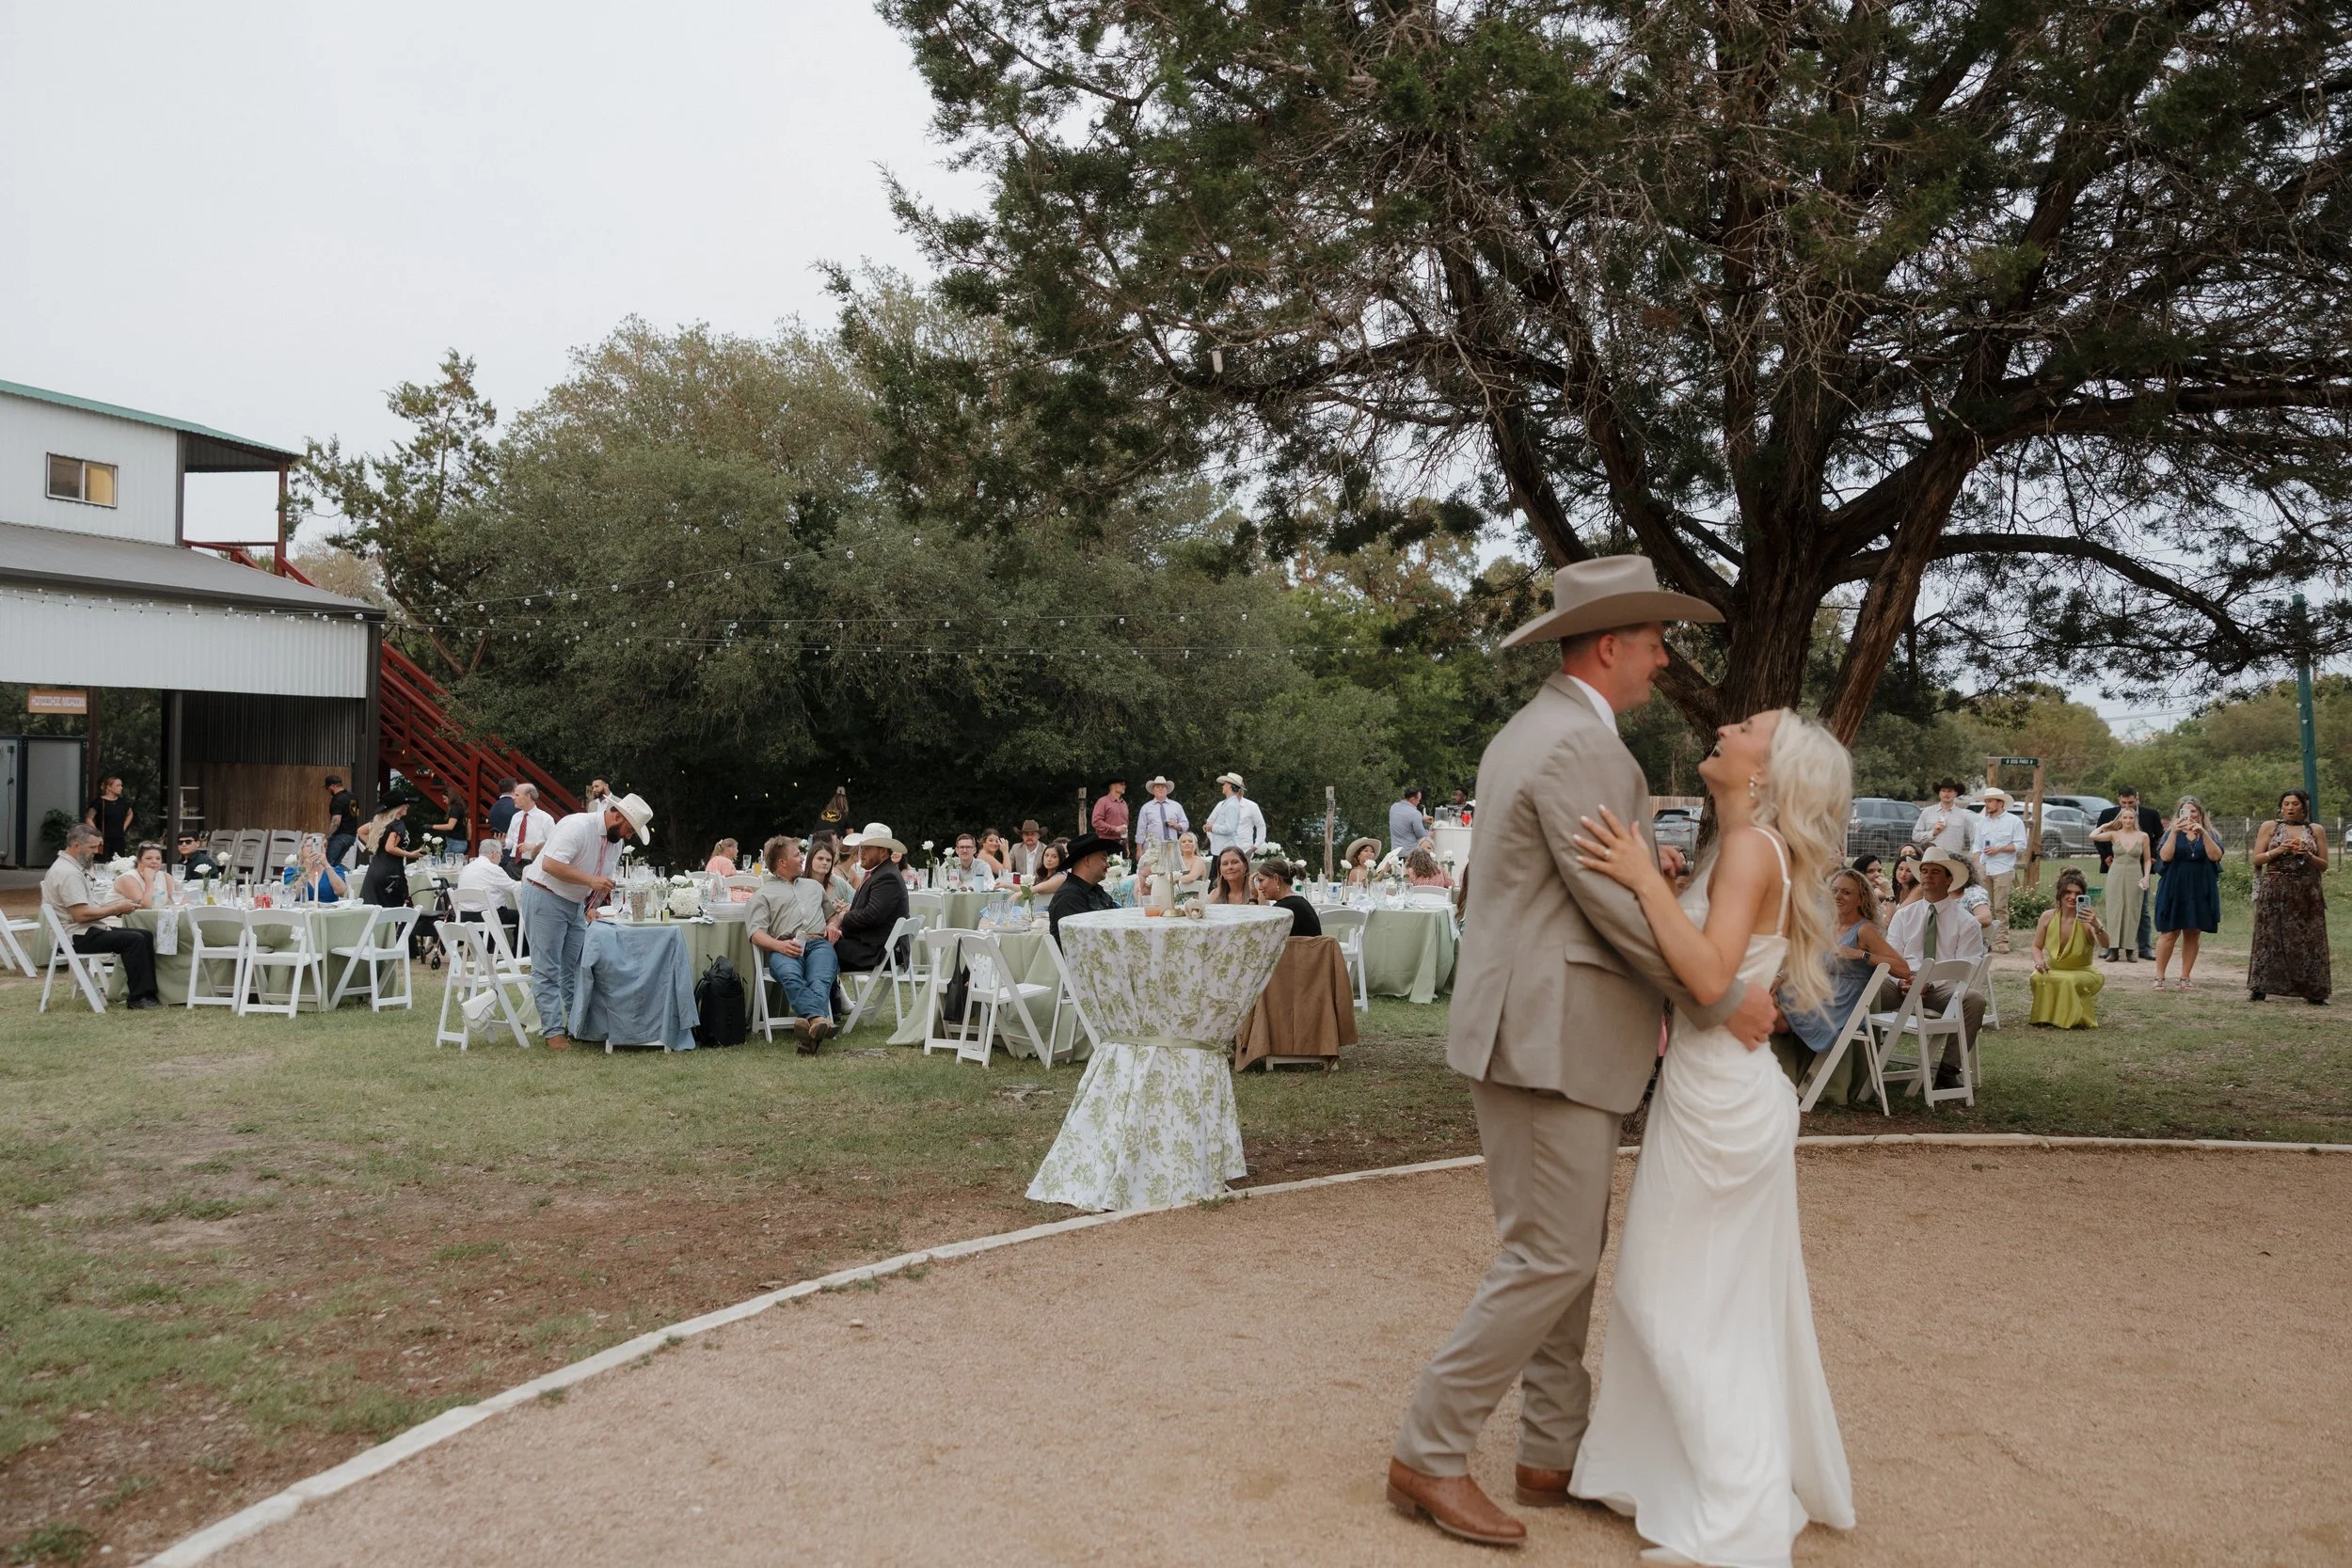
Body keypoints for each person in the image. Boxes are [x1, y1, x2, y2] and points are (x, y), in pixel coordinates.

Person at [1387, 556, 1781, 1550]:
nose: (1663, 661)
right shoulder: (1583, 747)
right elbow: (1611, 907)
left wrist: (1653, 880)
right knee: (1552, 1252)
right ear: (1609, 646)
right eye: (1653, 643)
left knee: (1560, 1247)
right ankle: (1429, 1450)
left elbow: (1546, 885)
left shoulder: (1536, 731)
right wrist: (1720, 994)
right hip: (1549, 1035)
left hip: (1536, 1028)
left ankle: (1551, 1448)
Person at [1558, 700, 1856, 1563]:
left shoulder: (1753, 849)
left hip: (1722, 1104)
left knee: (1665, 1300)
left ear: (1765, 771)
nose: (1726, 729)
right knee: (1707, 1305)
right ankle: (1663, 1473)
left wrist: (1645, 879)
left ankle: (1737, 1508)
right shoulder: (1744, 848)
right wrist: (1661, 880)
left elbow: (1709, 974)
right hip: (1712, 1090)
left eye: (1748, 729)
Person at [521, 793, 656, 1051]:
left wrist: (592, 906)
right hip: (545, 894)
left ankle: (578, 1026)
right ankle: (553, 1032)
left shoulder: (615, 843)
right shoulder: (577, 826)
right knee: (547, 968)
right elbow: (550, 864)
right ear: (618, 817)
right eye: (630, 830)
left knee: (577, 967)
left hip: (575, 904)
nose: (629, 836)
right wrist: (590, 881)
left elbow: (603, 880)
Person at [1773, 868, 1910, 1101]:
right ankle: (1779, 1077)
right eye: (1835, 891)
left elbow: (1903, 968)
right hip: (1821, 990)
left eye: (1846, 892)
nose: (1838, 896)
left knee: (1774, 1013)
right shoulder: (1827, 926)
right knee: (1767, 998)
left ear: (1860, 899)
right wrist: (1780, 977)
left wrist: (1861, 955)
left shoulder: (1865, 930)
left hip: (1843, 1000)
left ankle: (1783, 1077)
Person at [1881, 847, 1989, 1089]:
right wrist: (1901, 980)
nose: (1927, 876)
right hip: (1902, 983)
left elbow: (1967, 968)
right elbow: (1891, 957)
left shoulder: (1966, 922)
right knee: (1863, 989)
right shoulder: (1903, 915)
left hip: (1939, 988)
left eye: (1935, 872)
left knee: (1974, 1000)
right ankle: (1858, 1059)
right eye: (1924, 871)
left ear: (1949, 880)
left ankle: (1948, 1070)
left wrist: (1928, 983)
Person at [42, 822, 163, 1007]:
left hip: (83, 931)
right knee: (135, 939)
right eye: (92, 847)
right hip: (75, 935)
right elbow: (81, 915)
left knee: (144, 935)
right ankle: (138, 998)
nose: (96, 852)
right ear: (76, 846)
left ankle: (147, 994)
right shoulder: (68, 873)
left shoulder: (70, 868)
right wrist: (116, 909)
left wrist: (119, 906)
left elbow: (88, 908)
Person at [747, 836, 837, 1051]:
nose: (802, 858)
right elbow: (755, 934)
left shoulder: (814, 886)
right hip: (785, 947)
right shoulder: (762, 895)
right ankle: (817, 1021)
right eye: (797, 855)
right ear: (783, 863)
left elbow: (832, 915)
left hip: (818, 944)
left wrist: (833, 925)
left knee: (820, 979)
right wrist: (780, 946)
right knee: (790, 975)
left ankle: (810, 1026)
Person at [2248, 788, 2331, 1005]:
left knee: (2308, 939)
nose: (2290, 808)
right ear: (2281, 807)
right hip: (2275, 889)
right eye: (2286, 804)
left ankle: (2314, 990)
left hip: (2306, 890)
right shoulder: (2270, 827)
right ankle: (2261, 987)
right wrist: (2278, 851)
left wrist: (2307, 855)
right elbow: (2256, 859)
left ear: (2304, 807)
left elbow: (2324, 865)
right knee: (2269, 938)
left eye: (2295, 804)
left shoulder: (2315, 830)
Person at [2153, 796, 2223, 990]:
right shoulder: (2170, 833)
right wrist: (2175, 832)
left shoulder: (2211, 834)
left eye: (2194, 811)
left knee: (2193, 932)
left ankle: (2185, 977)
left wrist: (2203, 833)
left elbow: (2215, 856)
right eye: (2186, 811)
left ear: (2200, 814)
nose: (2190, 815)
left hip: (2200, 886)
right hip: (2174, 886)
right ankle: (2159, 977)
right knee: (2169, 932)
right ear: (2179, 814)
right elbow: (2165, 856)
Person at [2093, 786, 2165, 960]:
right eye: (2124, 803)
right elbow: (2098, 839)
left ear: (2137, 799)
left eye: (2131, 803)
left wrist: (2152, 857)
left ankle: (2143, 947)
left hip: (2138, 867)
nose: (2127, 806)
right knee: (2114, 908)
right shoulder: (2108, 815)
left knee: (2140, 909)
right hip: (2116, 865)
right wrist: (2106, 856)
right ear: (2119, 799)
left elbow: (2159, 837)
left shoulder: (2150, 815)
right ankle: (2111, 947)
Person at [2028, 869, 2106, 1028]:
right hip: (2055, 968)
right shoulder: (2047, 916)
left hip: (2083, 971)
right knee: (2037, 977)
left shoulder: (2088, 920)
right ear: (2060, 894)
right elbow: (2037, 946)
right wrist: (2039, 961)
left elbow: (2106, 944)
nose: (2072, 897)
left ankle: (2072, 1019)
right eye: (2068, 892)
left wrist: (2096, 925)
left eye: (2078, 894)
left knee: (2068, 980)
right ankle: (2045, 1017)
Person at [1973, 786, 2031, 953]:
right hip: (1984, 867)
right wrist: (1977, 866)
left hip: (2003, 868)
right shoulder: (1982, 822)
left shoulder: (2014, 821)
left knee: (2000, 907)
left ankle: (2002, 940)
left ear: (2000, 803)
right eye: (1986, 801)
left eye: (1990, 801)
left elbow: (2021, 845)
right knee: (1985, 906)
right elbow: (1976, 845)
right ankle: (1986, 941)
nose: (1987, 804)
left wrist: (2000, 849)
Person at [2090, 808, 2152, 962]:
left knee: (2132, 910)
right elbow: (2093, 835)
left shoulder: (2143, 836)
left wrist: (2146, 877)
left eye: (2131, 818)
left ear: (2135, 819)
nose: (2128, 821)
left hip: (2134, 874)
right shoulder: (2114, 834)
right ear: (2120, 819)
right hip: (2116, 873)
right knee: (2114, 910)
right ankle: (2113, 949)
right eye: (2125, 817)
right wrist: (2106, 825)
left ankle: (2130, 950)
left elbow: (2147, 860)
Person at [1047, 833, 1120, 937]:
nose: (1108, 865)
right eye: (1104, 859)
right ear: (1087, 861)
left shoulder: (1095, 890)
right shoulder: (1069, 898)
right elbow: (1085, 940)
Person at [454, 837, 521, 940]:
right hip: (488, 916)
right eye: (501, 855)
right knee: (522, 917)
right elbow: (514, 888)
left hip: (464, 916)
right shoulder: (493, 869)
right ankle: (517, 949)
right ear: (494, 854)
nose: (501, 859)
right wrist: (526, 882)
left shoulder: (466, 868)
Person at [1250, 855, 1321, 936]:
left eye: (1261, 880)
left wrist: (1253, 899)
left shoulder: (1282, 910)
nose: (1259, 887)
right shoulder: (1300, 902)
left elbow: (1254, 934)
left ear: (1276, 879)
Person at [1206, 771, 1267, 856]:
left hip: (1245, 851)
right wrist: (1215, 841)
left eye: (1225, 784)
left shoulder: (1252, 806)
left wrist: (1256, 845)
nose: (1223, 786)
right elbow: (1209, 824)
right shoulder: (1220, 805)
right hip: (1223, 852)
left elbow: (1261, 825)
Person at [1912, 778, 1977, 858]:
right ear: (1939, 793)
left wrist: (1969, 857)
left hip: (1953, 860)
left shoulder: (1963, 815)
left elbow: (1975, 839)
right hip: (1930, 859)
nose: (1946, 794)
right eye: (1943, 791)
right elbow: (1915, 836)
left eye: (1950, 791)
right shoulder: (1927, 812)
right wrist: (1933, 833)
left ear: (1955, 793)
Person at [278, 835, 349, 903]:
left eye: (317, 845)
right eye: (309, 846)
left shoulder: (334, 871)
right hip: (302, 910)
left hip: (328, 910)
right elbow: (292, 894)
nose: (312, 849)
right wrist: (305, 871)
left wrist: (326, 865)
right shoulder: (292, 872)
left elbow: (342, 892)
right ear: (301, 851)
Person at [114, 842, 183, 907]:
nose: (154, 861)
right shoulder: (127, 879)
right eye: (149, 858)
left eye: (158, 858)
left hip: (155, 915)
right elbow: (145, 906)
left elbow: (183, 901)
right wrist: (149, 881)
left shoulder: (166, 876)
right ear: (139, 861)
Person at [505, 784, 556, 871]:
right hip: (513, 864)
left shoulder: (545, 819)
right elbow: (510, 841)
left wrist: (534, 847)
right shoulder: (516, 817)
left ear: (528, 796)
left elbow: (553, 843)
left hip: (534, 865)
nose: (513, 798)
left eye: (517, 795)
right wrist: (503, 842)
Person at [84, 774, 134, 860]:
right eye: (118, 785)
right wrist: (97, 834)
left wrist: (123, 827)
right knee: (102, 862)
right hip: (103, 839)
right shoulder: (99, 802)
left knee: (118, 861)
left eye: (121, 785)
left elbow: (130, 814)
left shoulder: (122, 802)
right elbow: (88, 818)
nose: (121, 788)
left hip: (118, 839)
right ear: (109, 787)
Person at [1136, 776, 1187, 854]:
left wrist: (1176, 825)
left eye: (1163, 787)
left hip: (1172, 848)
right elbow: (1140, 830)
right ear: (1153, 790)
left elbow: (1185, 825)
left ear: (1167, 790)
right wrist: (1139, 849)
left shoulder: (1176, 806)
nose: (1160, 789)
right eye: (1157, 787)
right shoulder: (1146, 807)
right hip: (1152, 849)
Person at [324, 774, 362, 866]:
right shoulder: (353, 796)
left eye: (328, 788)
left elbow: (336, 821)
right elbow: (356, 813)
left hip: (340, 836)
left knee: (328, 864)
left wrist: (327, 837)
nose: (328, 790)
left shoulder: (337, 799)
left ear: (333, 786)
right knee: (336, 864)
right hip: (351, 836)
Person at [1090, 777, 1131, 854]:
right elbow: (1096, 822)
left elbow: (1126, 826)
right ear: (1113, 786)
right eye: (1122, 784)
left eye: (1124, 785)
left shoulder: (1124, 803)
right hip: (1106, 844)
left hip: (1122, 844)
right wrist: (1115, 829)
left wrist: (1127, 846)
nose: (1124, 786)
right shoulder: (1102, 801)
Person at [1389, 785, 1431, 859]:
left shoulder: (1394, 807)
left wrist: (1421, 818)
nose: (1419, 802)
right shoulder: (1415, 814)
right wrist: (1430, 834)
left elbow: (1403, 818)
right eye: (1418, 800)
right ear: (1412, 799)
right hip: (1409, 855)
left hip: (1395, 854)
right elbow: (1422, 836)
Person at [484, 779, 521, 843]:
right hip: (514, 843)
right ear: (514, 789)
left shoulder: (493, 807)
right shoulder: (517, 806)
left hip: (497, 843)